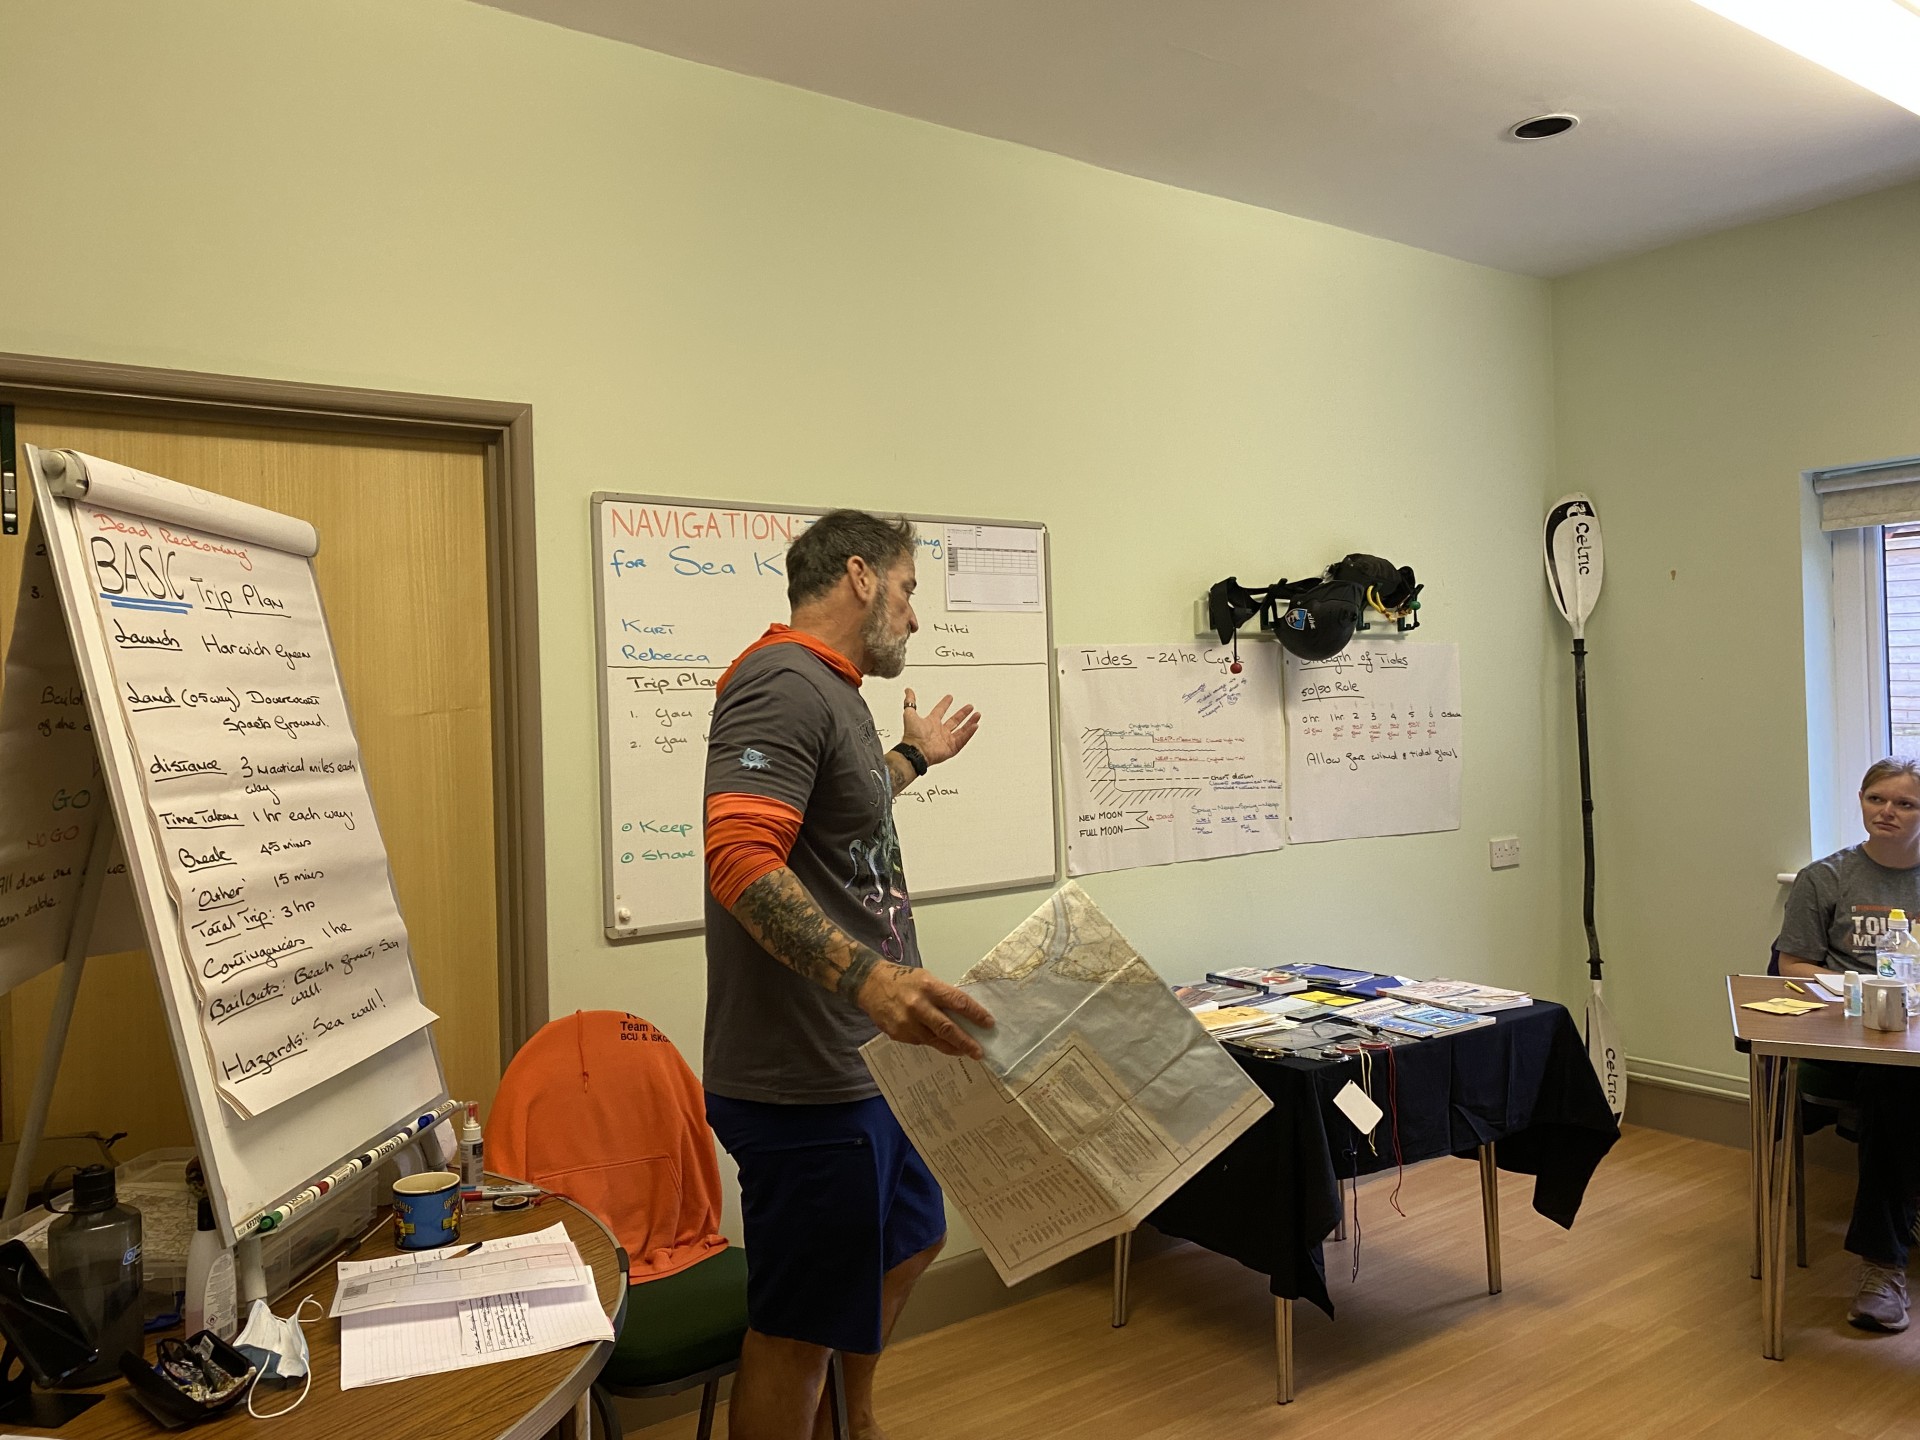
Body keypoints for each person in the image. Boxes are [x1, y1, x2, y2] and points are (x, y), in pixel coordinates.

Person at [701, 509, 995, 1440]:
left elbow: (840, 823)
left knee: (912, 1239)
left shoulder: (833, 692)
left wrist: (910, 760)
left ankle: (848, 1423)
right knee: (796, 1329)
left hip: (870, 1064)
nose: (914, 617)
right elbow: (740, 858)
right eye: (908, 590)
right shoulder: (780, 683)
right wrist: (869, 980)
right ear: (861, 577)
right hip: (806, 1078)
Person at [1775, 755, 1920, 1333]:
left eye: (1905, 803)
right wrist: (1860, 994)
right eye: (1876, 799)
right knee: (1895, 1081)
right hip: (1852, 1036)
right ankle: (1882, 1264)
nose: (1887, 812)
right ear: (1860, 800)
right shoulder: (1826, 878)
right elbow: (1794, 964)